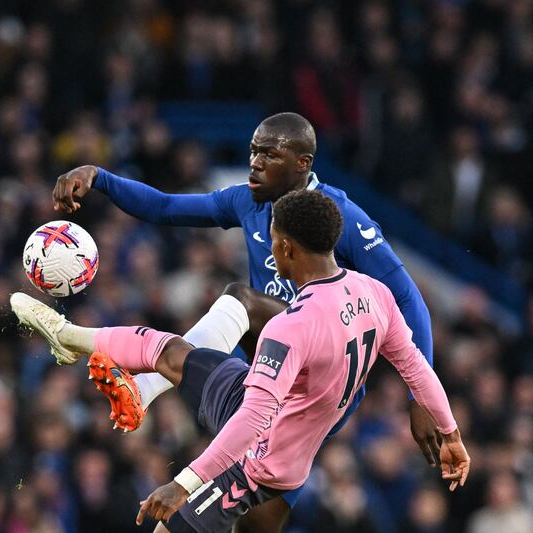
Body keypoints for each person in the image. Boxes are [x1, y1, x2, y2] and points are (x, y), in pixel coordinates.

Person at [51, 112, 439, 531]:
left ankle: (144, 387)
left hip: (319, 383)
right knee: (253, 524)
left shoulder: (341, 218)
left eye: (269, 155)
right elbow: (165, 207)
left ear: (302, 164)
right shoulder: (248, 200)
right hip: (270, 373)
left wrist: (420, 398)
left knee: (244, 300)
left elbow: (408, 298)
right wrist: (100, 177)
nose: (254, 162)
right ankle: (143, 384)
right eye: (254, 151)